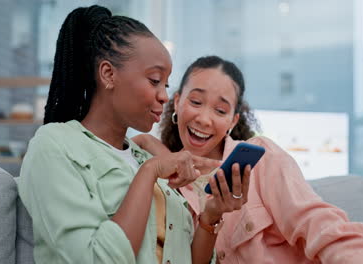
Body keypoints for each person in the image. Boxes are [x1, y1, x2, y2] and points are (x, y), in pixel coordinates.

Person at [17, 7, 250, 264]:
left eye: (166, 84)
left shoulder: (142, 155)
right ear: (108, 74)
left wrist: (211, 216)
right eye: (154, 80)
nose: (163, 95)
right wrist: (150, 171)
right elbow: (96, 259)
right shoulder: (54, 146)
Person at [136, 55, 363, 263]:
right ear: (178, 102)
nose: (204, 119)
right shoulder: (168, 181)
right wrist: (156, 147)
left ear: (232, 121)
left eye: (220, 110)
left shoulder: (262, 159)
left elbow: (318, 223)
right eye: (195, 101)